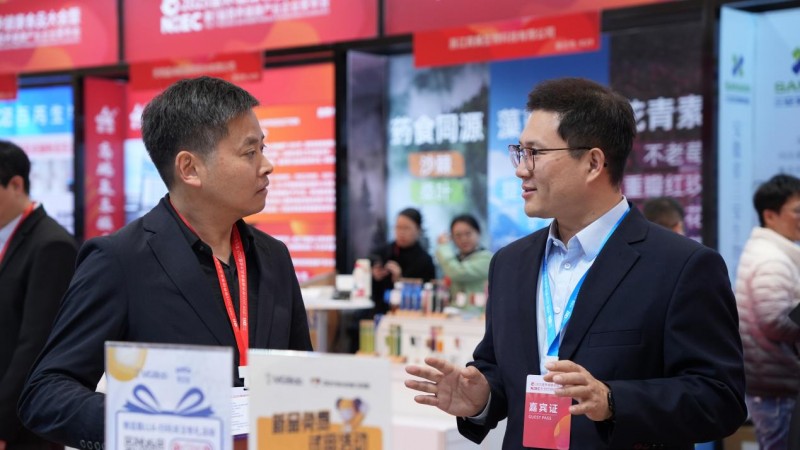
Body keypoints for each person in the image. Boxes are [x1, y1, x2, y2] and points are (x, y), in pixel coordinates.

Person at [405, 77, 746, 449]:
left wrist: (612, 401)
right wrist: (482, 397)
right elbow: (501, 370)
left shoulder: (682, 266)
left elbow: (720, 398)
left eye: (535, 153)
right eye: (520, 152)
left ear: (593, 163)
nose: (521, 169)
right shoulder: (510, 264)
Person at [18, 77, 312, 448]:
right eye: (249, 152)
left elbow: (300, 374)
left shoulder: (273, 256)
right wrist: (146, 423)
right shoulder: (120, 260)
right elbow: (45, 393)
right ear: (190, 168)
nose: (267, 165)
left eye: (262, 148)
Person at [0, 141, 77, 450]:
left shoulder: (51, 245)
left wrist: (3, 424)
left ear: (16, 185)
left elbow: (34, 346)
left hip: (23, 424)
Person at [735, 174, 800, 450]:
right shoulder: (772, 259)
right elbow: (774, 320)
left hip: (773, 383)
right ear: (770, 216)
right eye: (797, 211)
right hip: (776, 387)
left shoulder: (772, 252)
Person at [370, 207, 436, 315]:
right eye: (398, 227)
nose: (401, 232)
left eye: (406, 228)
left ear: (418, 230)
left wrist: (400, 280)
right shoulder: (382, 253)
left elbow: (427, 294)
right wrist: (375, 276)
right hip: (379, 311)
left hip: (411, 314)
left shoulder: (424, 260)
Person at [435, 213, 492, 297]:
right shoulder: (456, 259)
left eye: (468, 233)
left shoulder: (487, 258)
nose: (463, 239)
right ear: (452, 238)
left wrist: (444, 247)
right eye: (458, 235)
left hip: (479, 306)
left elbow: (458, 273)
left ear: (478, 232)